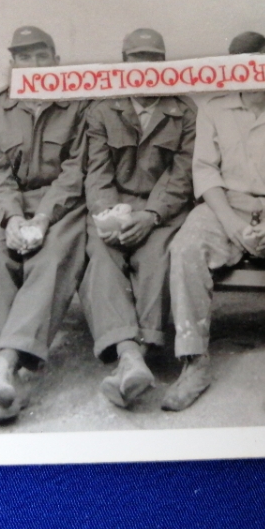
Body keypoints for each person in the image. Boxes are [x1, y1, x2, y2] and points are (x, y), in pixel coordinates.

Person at [161, 31, 265, 414]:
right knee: (185, 248)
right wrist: (232, 225)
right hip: (225, 206)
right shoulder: (213, 110)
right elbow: (205, 173)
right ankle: (194, 363)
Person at [0, 26, 89, 425]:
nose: (33, 65)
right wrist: (12, 218)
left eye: (42, 57)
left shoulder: (79, 105)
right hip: (10, 205)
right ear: (13, 64)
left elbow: (75, 173)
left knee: (52, 256)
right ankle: (1, 373)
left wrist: (42, 217)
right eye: (23, 57)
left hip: (61, 205)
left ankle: (3, 366)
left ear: (56, 62)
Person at [80, 28, 197, 408]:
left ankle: (139, 353)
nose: (145, 67)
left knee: (156, 255)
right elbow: (96, 172)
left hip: (160, 210)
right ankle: (130, 353)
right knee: (101, 255)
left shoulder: (184, 111)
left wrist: (150, 215)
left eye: (154, 59)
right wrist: (109, 214)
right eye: (137, 59)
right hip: (114, 207)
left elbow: (181, 177)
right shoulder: (102, 109)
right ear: (124, 64)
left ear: (164, 65)